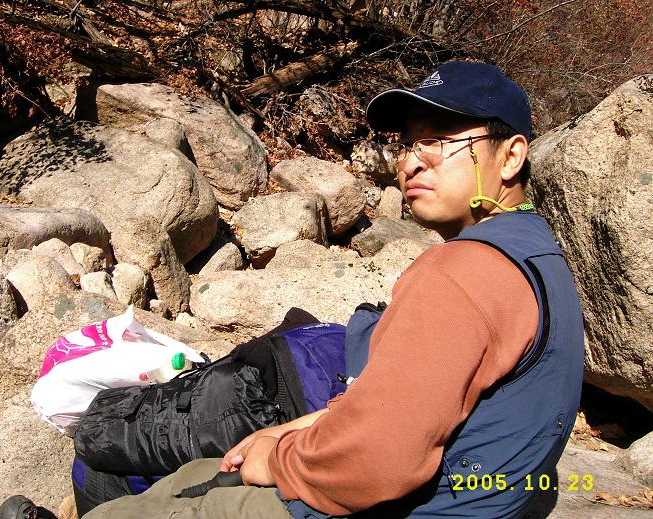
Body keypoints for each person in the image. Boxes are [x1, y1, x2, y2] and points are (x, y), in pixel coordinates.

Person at [80, 60, 585, 519]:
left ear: (511, 157)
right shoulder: (535, 252)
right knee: (192, 474)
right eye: (409, 143)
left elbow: (377, 460)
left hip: (407, 507)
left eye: (439, 140)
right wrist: (297, 428)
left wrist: (278, 458)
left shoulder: (461, 271)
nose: (411, 162)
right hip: (480, 500)